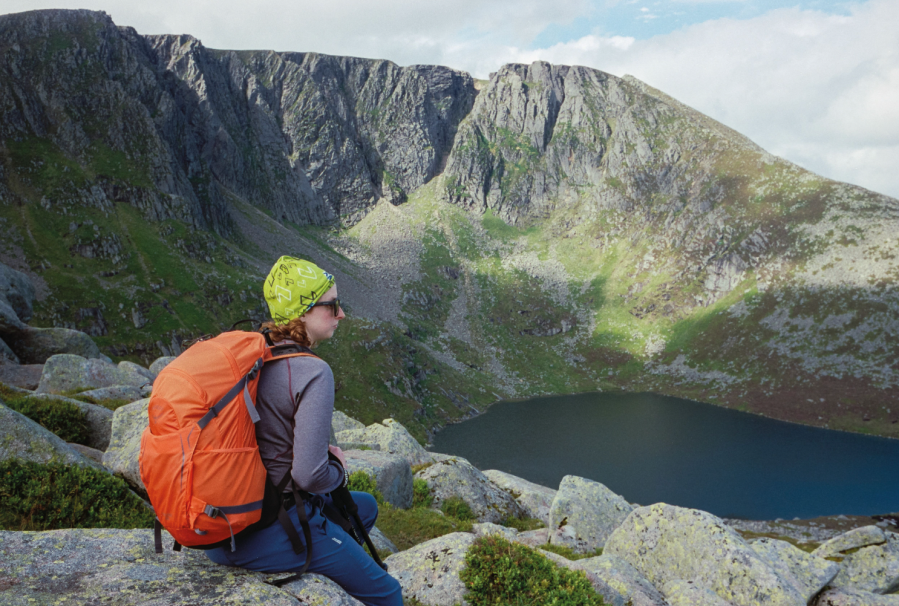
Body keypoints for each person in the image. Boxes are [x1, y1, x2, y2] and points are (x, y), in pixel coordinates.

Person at [206, 256, 403, 606]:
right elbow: (309, 476)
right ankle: (327, 560)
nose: (341, 315)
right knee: (389, 594)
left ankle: (336, 569)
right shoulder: (313, 372)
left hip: (224, 525)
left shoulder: (257, 355)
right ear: (303, 312)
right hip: (269, 527)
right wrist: (339, 470)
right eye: (332, 305)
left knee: (365, 508)